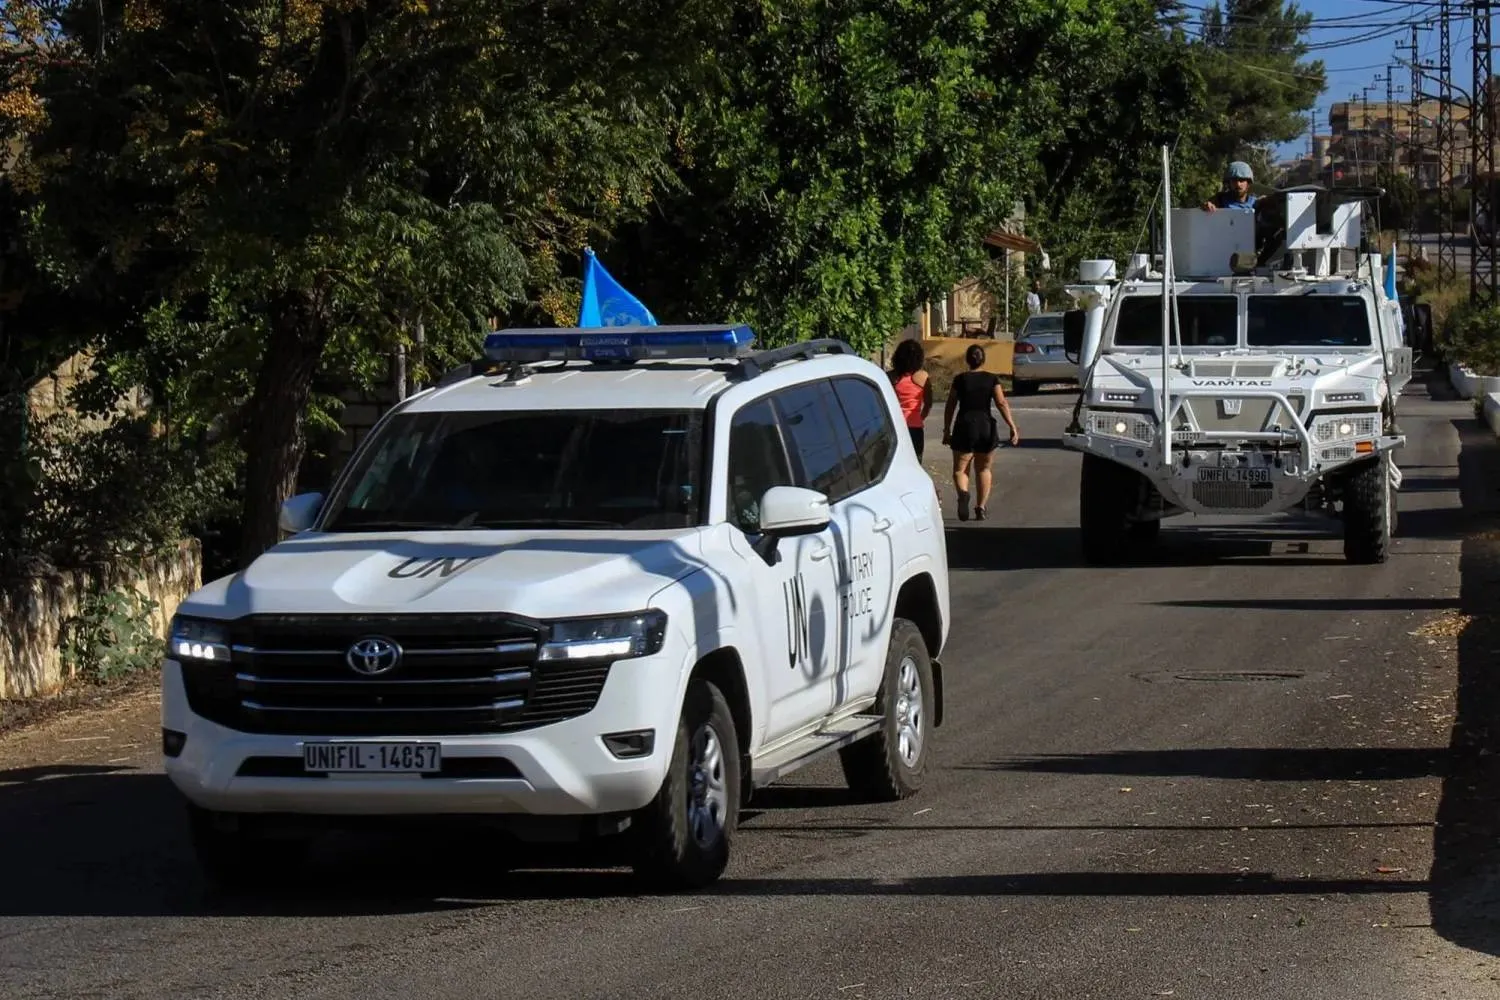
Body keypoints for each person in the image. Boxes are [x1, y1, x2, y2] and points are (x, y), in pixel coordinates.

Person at [941, 344, 1020, 522]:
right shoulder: (992, 379)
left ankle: (963, 494)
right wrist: (1012, 426)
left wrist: (947, 429)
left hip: (964, 426)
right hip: (985, 426)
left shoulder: (960, 379)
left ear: (967, 360)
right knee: (984, 468)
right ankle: (981, 507)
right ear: (983, 360)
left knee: (960, 470)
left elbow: (951, 404)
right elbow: (1001, 403)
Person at [888, 338, 933, 460]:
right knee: (915, 462)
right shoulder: (923, 377)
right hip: (915, 428)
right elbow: (928, 403)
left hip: (894, 426)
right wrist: (920, 417)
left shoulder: (890, 377)